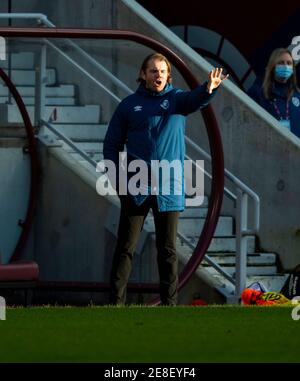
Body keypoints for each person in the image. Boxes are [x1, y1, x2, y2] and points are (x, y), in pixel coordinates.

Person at [103, 52, 228, 305]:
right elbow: (111, 145)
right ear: (143, 74)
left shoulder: (177, 100)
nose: (157, 75)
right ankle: (115, 304)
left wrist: (209, 88)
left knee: (167, 251)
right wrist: (117, 179)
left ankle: (169, 306)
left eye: (161, 71)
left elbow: (195, 100)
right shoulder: (128, 105)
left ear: (168, 75)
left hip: (169, 186)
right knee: (125, 248)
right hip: (136, 185)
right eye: (152, 71)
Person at [248, 48, 300, 138]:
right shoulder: (258, 92)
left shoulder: (297, 95)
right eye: (281, 63)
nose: (286, 66)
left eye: (289, 63)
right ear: (272, 66)